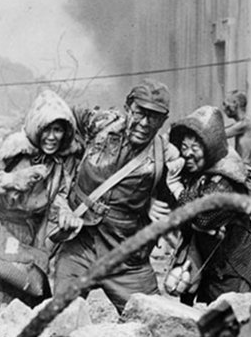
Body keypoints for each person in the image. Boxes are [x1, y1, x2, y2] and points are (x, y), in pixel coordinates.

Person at [52, 78, 184, 313]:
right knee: (62, 315)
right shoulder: (101, 124)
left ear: (163, 121)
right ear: (127, 107)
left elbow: (181, 200)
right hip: (79, 246)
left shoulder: (166, 155)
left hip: (126, 258)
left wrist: (157, 199)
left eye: (154, 117)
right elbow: (59, 116)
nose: (145, 123)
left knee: (151, 317)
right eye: (140, 112)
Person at [0, 89, 82, 311]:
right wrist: (11, 179)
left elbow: (59, 195)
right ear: (36, 127)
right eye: (46, 129)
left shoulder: (61, 161)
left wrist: (65, 212)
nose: (51, 137)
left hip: (27, 234)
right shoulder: (14, 148)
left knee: (25, 295)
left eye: (58, 129)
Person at [167, 105, 251, 305]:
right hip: (212, 267)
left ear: (210, 148)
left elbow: (203, 218)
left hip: (238, 269)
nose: (187, 154)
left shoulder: (225, 181)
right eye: (184, 147)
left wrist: (176, 188)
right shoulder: (197, 174)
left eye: (195, 148)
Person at [222, 90, 251, 165]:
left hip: (246, 167)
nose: (224, 109)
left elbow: (221, 134)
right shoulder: (242, 123)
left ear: (235, 103)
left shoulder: (246, 123)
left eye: (226, 104)